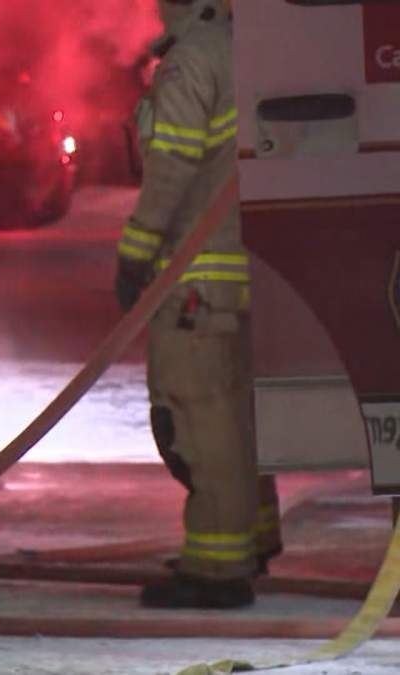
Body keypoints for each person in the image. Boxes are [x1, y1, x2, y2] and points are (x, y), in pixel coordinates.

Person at [115, 0, 282, 609]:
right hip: (237, 274)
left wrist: (136, 252)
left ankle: (216, 569)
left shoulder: (191, 62)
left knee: (200, 418)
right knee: (234, 416)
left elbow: (171, 168)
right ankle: (253, 540)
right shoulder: (242, 48)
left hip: (194, 278)